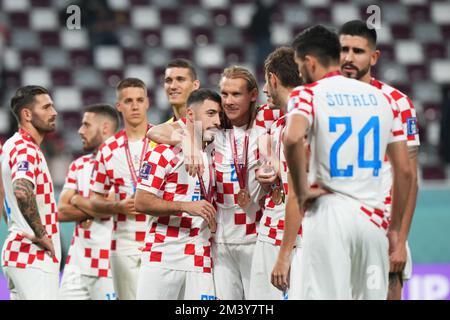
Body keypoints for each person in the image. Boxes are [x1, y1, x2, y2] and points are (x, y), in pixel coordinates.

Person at [284, 25, 412, 299]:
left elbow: (292, 137)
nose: (299, 73)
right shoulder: (385, 100)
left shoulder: (308, 94)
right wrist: (396, 230)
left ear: (309, 62)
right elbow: (404, 171)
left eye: (298, 65)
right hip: (375, 220)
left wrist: (301, 189)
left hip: (330, 213)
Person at [147, 66, 281, 299]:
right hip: (220, 242)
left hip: (257, 237)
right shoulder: (217, 124)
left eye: (236, 94)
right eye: (225, 94)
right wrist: (186, 142)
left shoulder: (266, 117)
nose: (228, 101)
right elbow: (155, 131)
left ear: (252, 95)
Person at [338, 20, 420, 299]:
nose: (348, 58)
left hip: (383, 228)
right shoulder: (322, 98)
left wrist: (400, 239)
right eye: (343, 49)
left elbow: (410, 178)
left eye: (357, 51)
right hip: (336, 230)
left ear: (373, 57)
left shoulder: (396, 102)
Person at [134, 88, 221, 300]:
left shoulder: (215, 155)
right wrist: (185, 207)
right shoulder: (162, 152)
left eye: (219, 115)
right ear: (190, 115)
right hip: (162, 255)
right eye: (210, 114)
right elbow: (141, 202)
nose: (218, 120)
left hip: (200, 257)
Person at [90, 78, 151, 300]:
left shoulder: (163, 141)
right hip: (124, 241)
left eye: (139, 100)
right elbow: (93, 202)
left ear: (148, 103)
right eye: (128, 101)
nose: (134, 106)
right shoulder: (108, 149)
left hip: (160, 237)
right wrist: (118, 206)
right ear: (119, 106)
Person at [249, 46, 303, 299]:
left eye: (266, 82)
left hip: (291, 236)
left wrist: (284, 253)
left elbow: (297, 191)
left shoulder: (294, 124)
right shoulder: (280, 124)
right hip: (292, 231)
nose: (264, 90)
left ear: (273, 79)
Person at [0, 85, 61, 299]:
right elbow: (21, 191)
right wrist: (42, 235)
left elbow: (2, 193)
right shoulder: (26, 149)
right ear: (27, 114)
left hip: (17, 253)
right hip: (33, 256)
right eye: (46, 107)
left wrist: (14, 223)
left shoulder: (10, 146)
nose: (54, 112)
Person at [58, 104, 120, 300]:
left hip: (109, 264)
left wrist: (76, 199)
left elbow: (108, 210)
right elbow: (60, 211)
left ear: (105, 128)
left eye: (86, 125)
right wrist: (95, 208)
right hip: (76, 265)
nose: (80, 130)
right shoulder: (78, 165)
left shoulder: (122, 162)